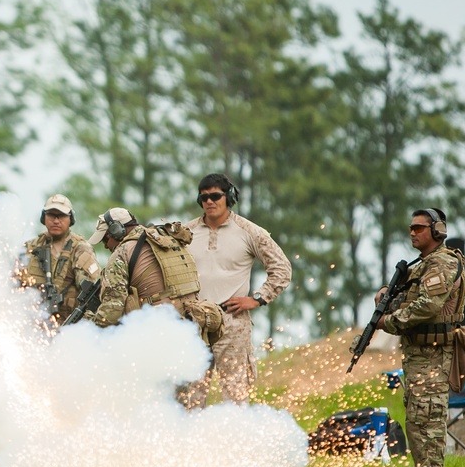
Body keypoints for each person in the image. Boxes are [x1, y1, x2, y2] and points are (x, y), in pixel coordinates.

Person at [182, 174, 291, 408]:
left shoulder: (249, 231)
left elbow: (282, 269)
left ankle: (236, 442)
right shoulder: (184, 233)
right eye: (204, 197)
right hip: (193, 322)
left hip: (232, 321)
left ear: (228, 197)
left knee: (235, 396)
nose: (209, 202)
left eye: (215, 196)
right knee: (191, 397)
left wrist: (257, 299)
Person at [378, 208, 465, 467]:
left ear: (437, 231)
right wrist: (385, 296)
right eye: (411, 228)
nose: (413, 232)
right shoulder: (420, 266)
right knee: (416, 418)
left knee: (427, 418)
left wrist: (388, 322)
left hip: (433, 355)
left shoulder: (442, 263)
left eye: (419, 228)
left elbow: (428, 306)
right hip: (419, 354)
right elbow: (406, 299)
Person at [86, 208, 222, 344]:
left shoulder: (122, 252)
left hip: (157, 333)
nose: (106, 246)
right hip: (193, 327)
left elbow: (113, 310)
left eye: (105, 240)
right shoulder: (168, 238)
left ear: (116, 231)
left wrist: (91, 326)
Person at [19, 194, 100, 324]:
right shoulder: (30, 247)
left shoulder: (80, 249)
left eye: (61, 216)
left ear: (70, 219)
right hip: (31, 324)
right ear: (43, 217)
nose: (56, 221)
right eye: (51, 215)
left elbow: (91, 293)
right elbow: (13, 286)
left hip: (67, 326)